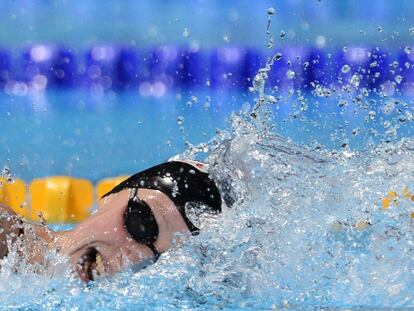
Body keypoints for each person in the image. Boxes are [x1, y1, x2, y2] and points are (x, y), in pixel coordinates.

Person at [0, 160, 224, 282]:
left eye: (158, 260)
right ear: (112, 195)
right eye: (141, 225)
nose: (136, 257)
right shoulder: (5, 234)